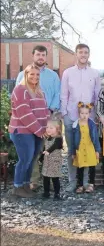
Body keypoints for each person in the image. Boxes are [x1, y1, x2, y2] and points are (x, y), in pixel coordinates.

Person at [16, 45, 61, 190]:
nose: (40, 57)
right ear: (33, 56)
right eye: (38, 55)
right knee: (34, 149)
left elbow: (58, 94)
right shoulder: (23, 74)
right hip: (31, 119)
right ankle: (34, 180)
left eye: (43, 55)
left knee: (51, 149)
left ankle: (52, 180)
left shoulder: (53, 76)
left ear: (46, 57)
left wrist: (50, 110)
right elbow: (19, 96)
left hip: (51, 116)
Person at [60, 43, 101, 192]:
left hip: (88, 119)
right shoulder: (68, 73)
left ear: (88, 55)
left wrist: (95, 114)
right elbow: (64, 94)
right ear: (76, 54)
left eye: (86, 52)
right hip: (71, 117)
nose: (83, 55)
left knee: (88, 148)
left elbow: (97, 95)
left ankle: (86, 182)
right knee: (73, 150)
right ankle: (73, 182)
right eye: (80, 52)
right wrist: (64, 114)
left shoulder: (94, 73)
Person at [8, 64, 49, 198]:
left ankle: (26, 185)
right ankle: (17, 186)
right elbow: (25, 113)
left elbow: (44, 111)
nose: (35, 77)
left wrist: (46, 128)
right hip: (22, 131)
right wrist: (39, 130)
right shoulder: (20, 90)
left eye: (37, 74)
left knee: (31, 160)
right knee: (24, 159)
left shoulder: (39, 91)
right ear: (25, 75)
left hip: (37, 132)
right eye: (31, 74)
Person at [72, 102, 101, 194]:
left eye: (86, 113)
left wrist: (97, 150)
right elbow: (73, 140)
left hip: (90, 148)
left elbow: (95, 138)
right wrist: (73, 152)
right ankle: (80, 185)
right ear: (79, 113)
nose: (84, 115)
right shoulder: (76, 125)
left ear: (89, 114)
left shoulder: (92, 124)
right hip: (80, 149)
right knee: (80, 167)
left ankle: (91, 184)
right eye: (82, 113)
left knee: (92, 166)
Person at [41, 113, 64, 200]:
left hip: (55, 162)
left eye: (51, 128)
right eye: (47, 127)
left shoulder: (58, 138)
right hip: (47, 162)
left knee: (55, 178)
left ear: (57, 129)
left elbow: (55, 146)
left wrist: (48, 151)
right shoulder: (47, 138)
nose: (48, 129)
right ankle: (46, 192)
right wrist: (41, 157)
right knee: (45, 177)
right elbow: (45, 148)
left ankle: (57, 193)